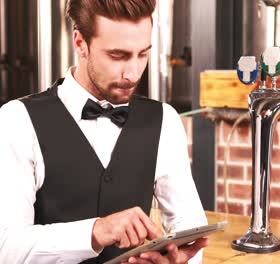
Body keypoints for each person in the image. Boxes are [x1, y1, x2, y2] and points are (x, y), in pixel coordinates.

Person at [0, 0, 208, 263]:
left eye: (142, 54)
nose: (132, 73)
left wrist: (178, 259)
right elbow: (6, 247)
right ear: (80, 43)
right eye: (117, 56)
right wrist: (96, 231)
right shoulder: (17, 120)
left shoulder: (164, 119)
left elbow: (190, 226)